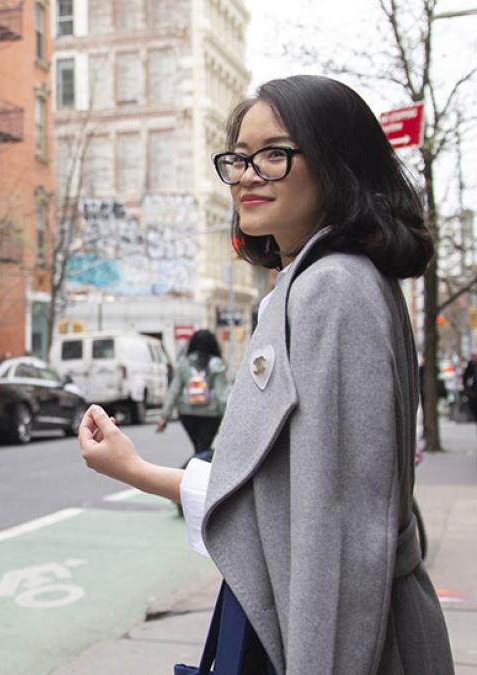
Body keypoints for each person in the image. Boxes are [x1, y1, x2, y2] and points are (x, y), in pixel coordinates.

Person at [77, 75, 453, 674]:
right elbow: (277, 494)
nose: (248, 175)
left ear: (339, 163)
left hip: (325, 635)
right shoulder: (311, 283)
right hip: (284, 610)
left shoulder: (332, 290)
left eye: (274, 154)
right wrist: (136, 470)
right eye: (239, 158)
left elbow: (340, 532)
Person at [157, 329, 229, 462]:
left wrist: (164, 417)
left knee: (199, 448)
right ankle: (185, 473)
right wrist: (230, 418)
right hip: (211, 414)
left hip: (187, 413)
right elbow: (222, 393)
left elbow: (174, 390)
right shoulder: (217, 364)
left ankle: (192, 473)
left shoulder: (184, 363)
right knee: (203, 448)